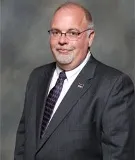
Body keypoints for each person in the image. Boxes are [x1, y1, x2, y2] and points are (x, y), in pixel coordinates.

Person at [14, 2, 135, 160]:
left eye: (72, 33)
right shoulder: (37, 77)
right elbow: (23, 144)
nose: (62, 41)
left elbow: (119, 156)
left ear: (90, 37)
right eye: (56, 32)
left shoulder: (114, 86)